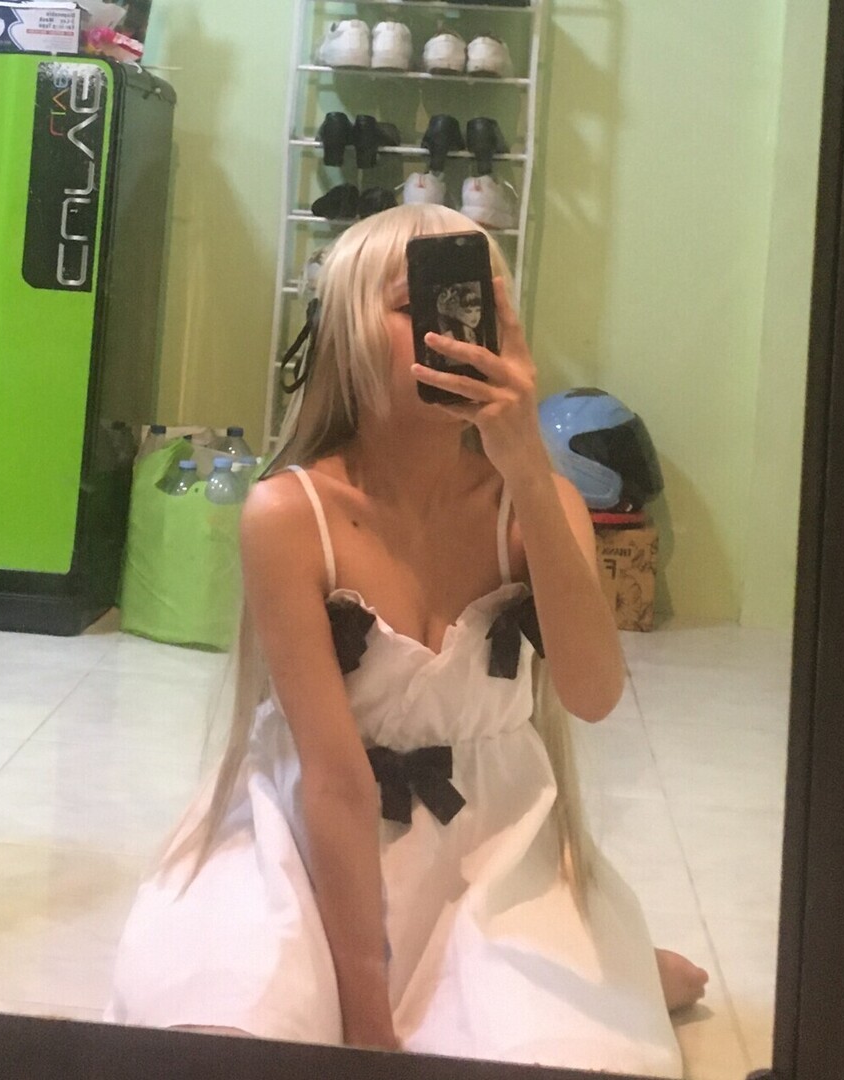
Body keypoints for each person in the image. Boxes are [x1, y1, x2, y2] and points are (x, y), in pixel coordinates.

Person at [105, 204, 706, 1074]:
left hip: (493, 846)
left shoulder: (532, 505)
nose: (452, 326)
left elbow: (593, 694)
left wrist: (527, 468)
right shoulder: (290, 514)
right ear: (347, 333)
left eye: (479, 303)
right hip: (308, 841)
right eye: (413, 302)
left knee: (564, 1050)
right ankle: (619, 969)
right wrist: (365, 1010)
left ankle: (614, 965)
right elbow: (337, 781)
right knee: (221, 1026)